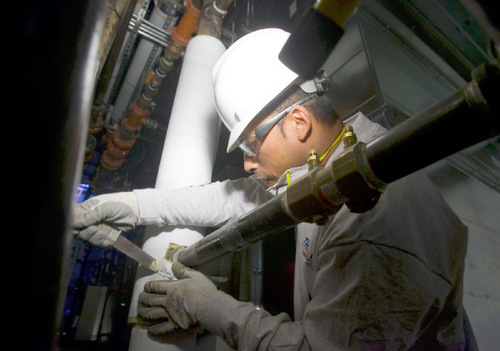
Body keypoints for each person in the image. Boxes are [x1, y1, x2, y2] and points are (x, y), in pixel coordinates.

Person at [73, 28, 477, 350]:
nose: (248, 162)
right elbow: (228, 198)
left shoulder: (372, 219)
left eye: (251, 144)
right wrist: (131, 205)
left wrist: (210, 307)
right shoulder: (327, 159)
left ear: (298, 122)